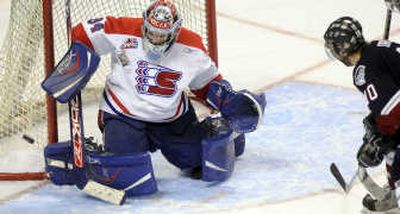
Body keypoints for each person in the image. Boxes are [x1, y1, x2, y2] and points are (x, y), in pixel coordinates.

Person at [43, 0, 266, 199]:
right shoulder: (122, 30)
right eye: (151, 32)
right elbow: (81, 33)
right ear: (144, 25)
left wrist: (228, 101)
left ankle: (224, 134)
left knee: (201, 163)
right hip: (123, 115)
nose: (156, 39)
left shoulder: (191, 46)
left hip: (172, 119)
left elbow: (207, 85)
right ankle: (96, 151)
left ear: (175, 31)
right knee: (128, 173)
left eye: (162, 35)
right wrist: (78, 61)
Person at [324, 16, 400, 211]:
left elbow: (391, 111)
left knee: (394, 149)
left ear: (343, 49)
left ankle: (394, 193)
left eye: (334, 48)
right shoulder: (379, 47)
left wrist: (382, 139)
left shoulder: (363, 71)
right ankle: (392, 192)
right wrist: (378, 123)